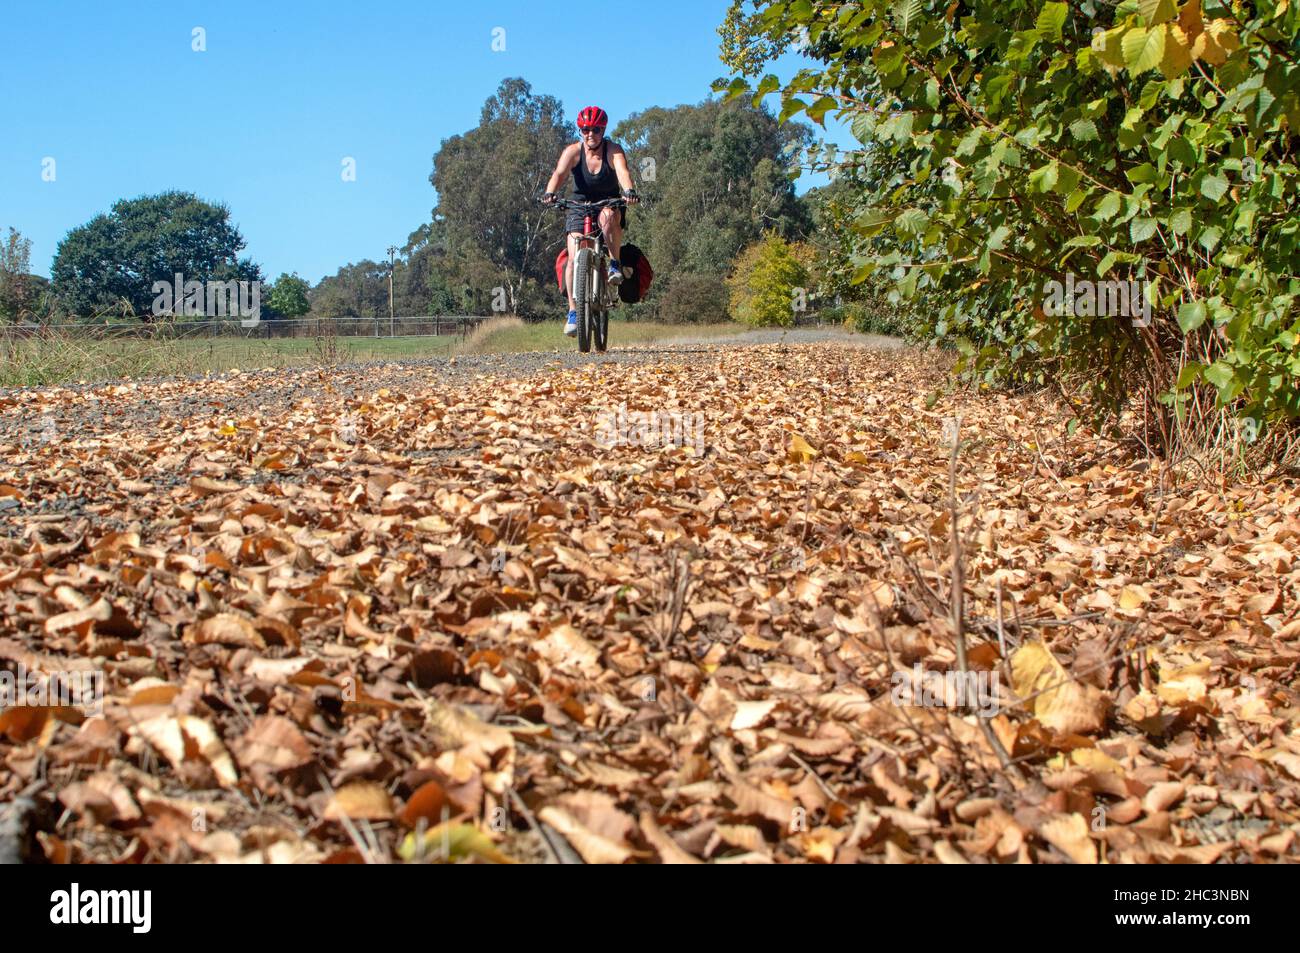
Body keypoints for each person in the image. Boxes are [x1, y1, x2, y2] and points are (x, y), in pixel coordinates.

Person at [542, 106, 640, 336]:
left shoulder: (612, 150)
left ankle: (614, 263)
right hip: (579, 206)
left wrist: (629, 191)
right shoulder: (573, 152)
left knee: (607, 218)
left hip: (608, 203)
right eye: (585, 129)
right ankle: (574, 312)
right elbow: (559, 174)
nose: (590, 134)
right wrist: (550, 192)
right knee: (574, 256)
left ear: (603, 130)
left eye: (595, 130)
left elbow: (623, 172)